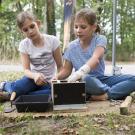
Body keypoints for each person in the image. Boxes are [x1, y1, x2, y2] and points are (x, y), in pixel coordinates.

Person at [56, 8, 135, 100]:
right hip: (85, 82)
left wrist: (79, 73)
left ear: (94, 27)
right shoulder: (71, 47)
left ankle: (103, 95)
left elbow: (95, 58)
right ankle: (113, 92)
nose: (78, 30)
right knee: (86, 79)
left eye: (83, 27)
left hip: (102, 80)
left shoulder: (100, 39)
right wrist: (56, 77)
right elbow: (66, 70)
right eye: (76, 27)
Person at [0, 11, 63, 101]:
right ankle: (5, 85)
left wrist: (57, 78)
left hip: (48, 82)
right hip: (32, 79)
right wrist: (34, 76)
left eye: (32, 26)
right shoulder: (24, 45)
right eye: (25, 30)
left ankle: (14, 95)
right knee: (18, 88)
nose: (30, 31)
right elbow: (26, 70)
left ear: (38, 24)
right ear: (21, 31)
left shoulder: (53, 41)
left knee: (54, 93)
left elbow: (60, 67)